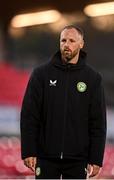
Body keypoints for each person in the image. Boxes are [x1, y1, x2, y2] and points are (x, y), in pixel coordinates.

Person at [20, 25, 107, 179]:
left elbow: (98, 122)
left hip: (78, 160)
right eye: (63, 40)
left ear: (81, 44)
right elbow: (29, 116)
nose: (67, 44)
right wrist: (29, 150)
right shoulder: (41, 74)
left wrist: (96, 159)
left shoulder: (93, 78)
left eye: (72, 41)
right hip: (45, 157)